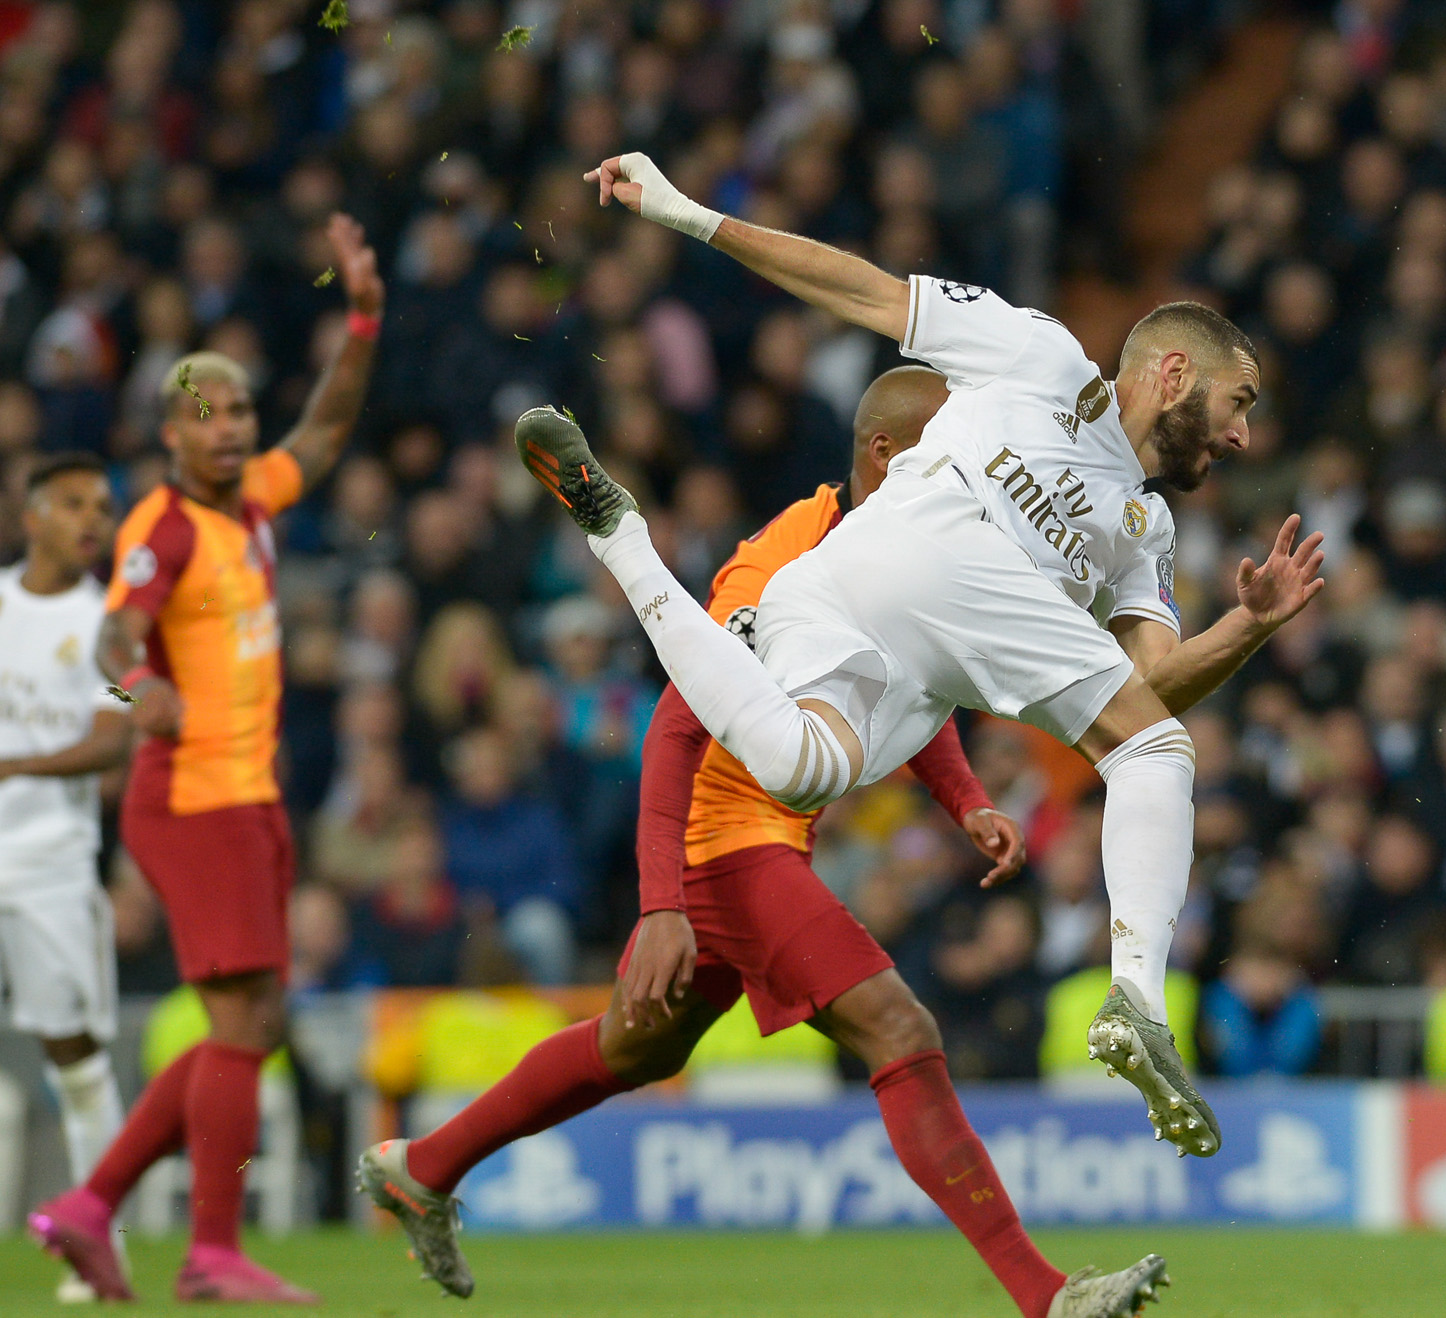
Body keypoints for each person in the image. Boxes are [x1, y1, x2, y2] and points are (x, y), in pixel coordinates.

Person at [520, 150, 1327, 1158]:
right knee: (1157, 755)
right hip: (937, 548)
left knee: (799, 769)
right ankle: (1138, 1001)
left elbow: (1150, 681)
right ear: (1173, 373)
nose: (1245, 434)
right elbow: (860, 287)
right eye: (1239, 401)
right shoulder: (1041, 356)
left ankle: (623, 540)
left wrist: (1247, 625)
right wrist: (684, 212)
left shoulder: (1146, 533)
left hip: (848, 601)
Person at [363, 367, 1169, 1318]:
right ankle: (1047, 1298)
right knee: (900, 1032)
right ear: (885, 454)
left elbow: (923, 683)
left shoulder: (911, 546)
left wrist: (962, 801)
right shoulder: (783, 558)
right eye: (948, 452)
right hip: (727, 841)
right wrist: (662, 902)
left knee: (634, 1052)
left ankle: (422, 1166)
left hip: (772, 835)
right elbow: (677, 720)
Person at [31, 214, 385, 1305]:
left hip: (246, 793)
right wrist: (141, 691)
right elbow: (114, 634)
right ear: (171, 434)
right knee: (244, 1025)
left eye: (237, 410)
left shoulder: (257, 501)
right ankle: (210, 1250)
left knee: (255, 1026)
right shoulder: (166, 527)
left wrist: (365, 318)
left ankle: (88, 1209)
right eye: (206, 415)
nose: (229, 429)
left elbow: (323, 432)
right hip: (190, 796)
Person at [0, 455, 132, 1303]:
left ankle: (98, 1241)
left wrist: (17, 765)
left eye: (105, 507)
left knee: (75, 1057)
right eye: (77, 504)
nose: (94, 519)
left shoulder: (112, 625)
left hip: (50, 864)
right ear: (34, 514)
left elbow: (113, 740)